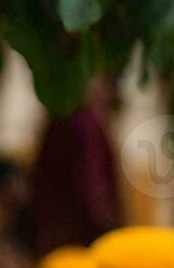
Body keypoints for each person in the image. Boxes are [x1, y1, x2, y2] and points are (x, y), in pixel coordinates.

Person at [29, 75, 120, 255]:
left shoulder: (66, 117)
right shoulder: (82, 123)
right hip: (76, 240)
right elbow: (89, 189)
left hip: (54, 233)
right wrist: (110, 231)